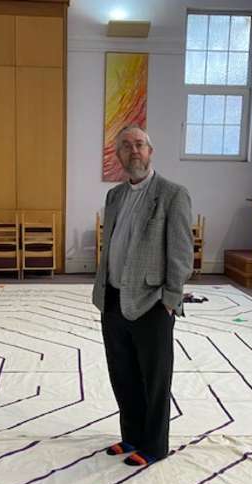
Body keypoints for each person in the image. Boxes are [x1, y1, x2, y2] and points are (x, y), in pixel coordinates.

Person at [92, 125, 194, 466]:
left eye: (139, 145)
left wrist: (170, 299)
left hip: (152, 302)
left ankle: (154, 446)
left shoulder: (172, 194)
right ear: (118, 155)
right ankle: (131, 435)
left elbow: (181, 252)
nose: (133, 150)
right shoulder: (115, 196)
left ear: (150, 152)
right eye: (126, 146)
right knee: (122, 373)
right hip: (113, 299)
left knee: (154, 377)